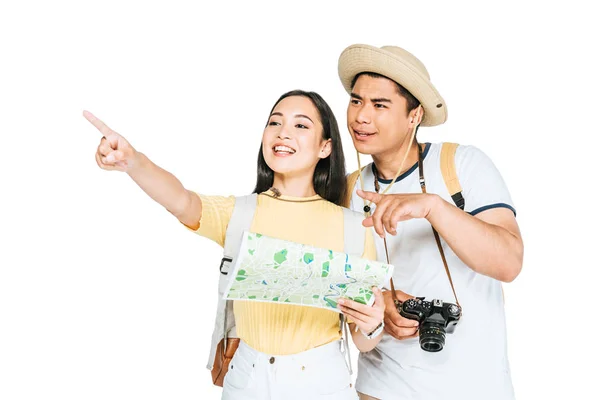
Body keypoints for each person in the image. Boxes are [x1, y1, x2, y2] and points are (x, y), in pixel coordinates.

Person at [83, 89, 388, 400]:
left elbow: (361, 339)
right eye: (275, 122)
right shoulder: (240, 213)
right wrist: (133, 161)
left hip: (320, 382)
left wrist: (372, 325)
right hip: (247, 378)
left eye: (301, 125)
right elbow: (180, 199)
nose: (283, 133)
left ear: (325, 147)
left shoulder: (354, 227)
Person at [336, 44, 524, 400]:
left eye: (379, 105)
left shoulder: (462, 165)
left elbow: (509, 262)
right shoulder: (346, 189)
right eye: (356, 100)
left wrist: (433, 208)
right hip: (380, 389)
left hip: (474, 387)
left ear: (414, 115)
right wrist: (382, 304)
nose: (361, 116)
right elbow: (340, 285)